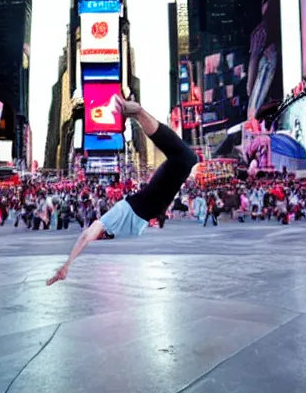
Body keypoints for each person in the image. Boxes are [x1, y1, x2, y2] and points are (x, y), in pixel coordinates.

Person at [47, 96, 198, 285]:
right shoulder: (112, 223)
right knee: (185, 158)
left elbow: (86, 236)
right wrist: (67, 265)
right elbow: (87, 235)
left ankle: (137, 112)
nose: (96, 231)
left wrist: (67, 264)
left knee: (185, 158)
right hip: (151, 201)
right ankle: (137, 112)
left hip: (151, 201)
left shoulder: (113, 224)